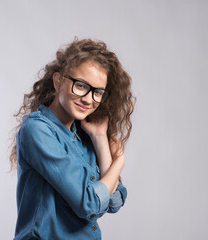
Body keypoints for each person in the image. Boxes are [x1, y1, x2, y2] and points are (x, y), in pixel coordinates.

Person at [9, 38, 135, 240]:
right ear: (58, 81)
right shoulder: (37, 130)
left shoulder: (86, 134)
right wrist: (118, 162)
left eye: (98, 92)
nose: (88, 99)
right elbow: (90, 204)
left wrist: (100, 139)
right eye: (81, 85)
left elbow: (114, 201)